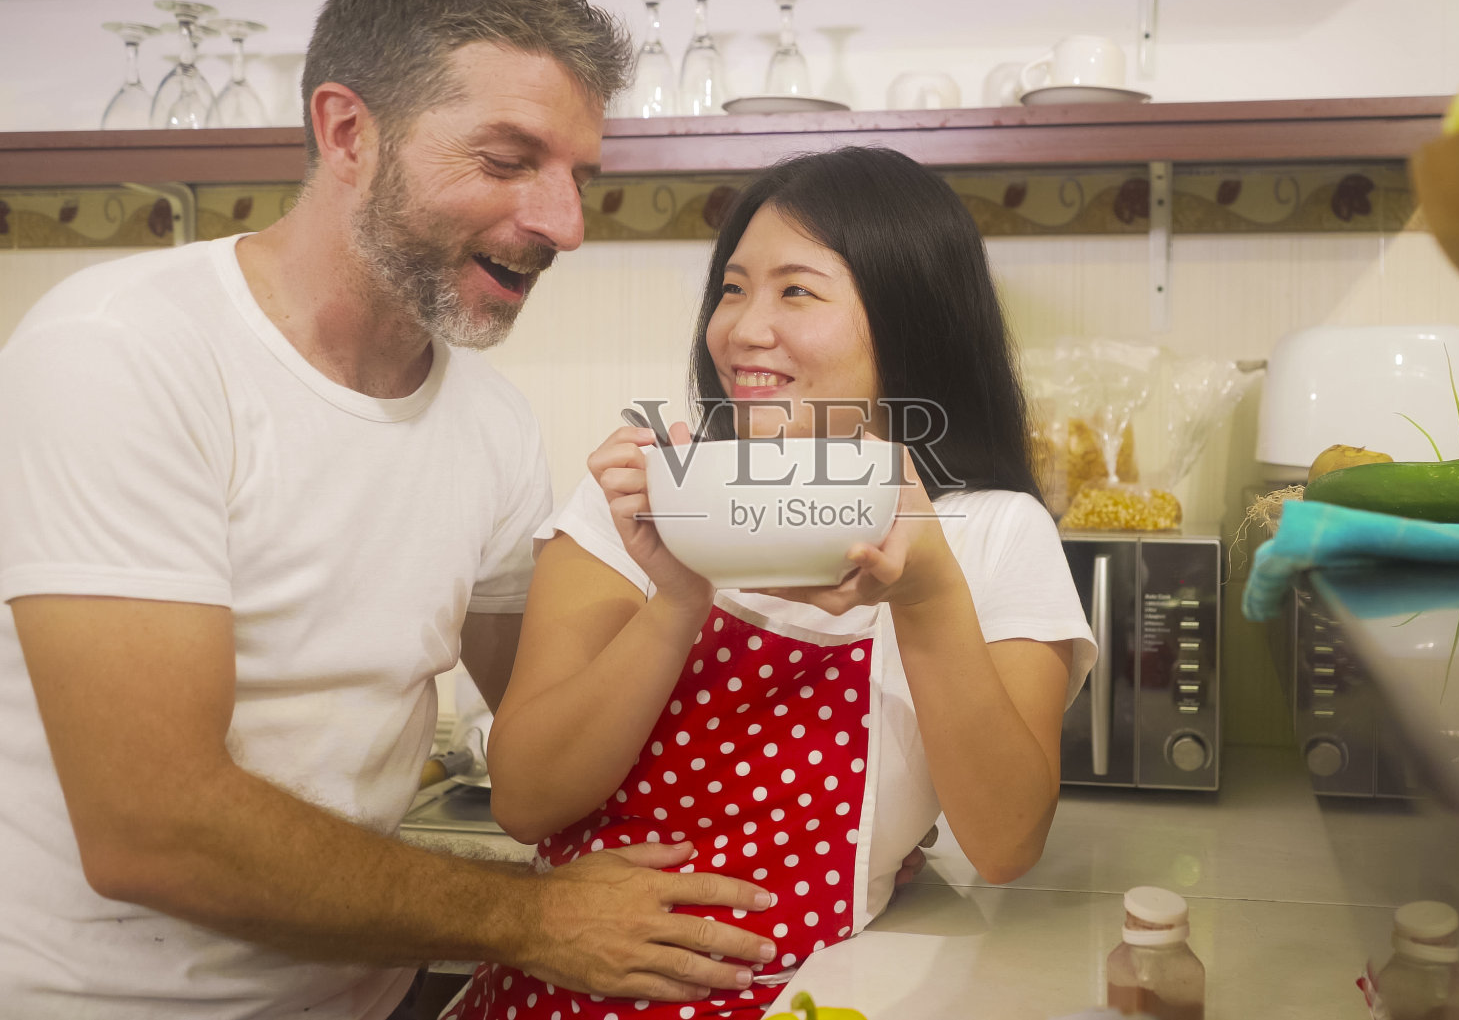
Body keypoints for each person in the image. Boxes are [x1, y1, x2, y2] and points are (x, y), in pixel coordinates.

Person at [0, 0, 778, 1019]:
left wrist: (722, 572)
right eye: (507, 161)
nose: (565, 224)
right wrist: (536, 917)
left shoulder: (489, 422)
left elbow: (546, 747)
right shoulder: (122, 351)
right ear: (348, 132)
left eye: (578, 176)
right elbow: (152, 827)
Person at [449, 146, 1099, 1020]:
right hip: (554, 998)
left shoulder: (989, 534)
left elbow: (1006, 843)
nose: (743, 328)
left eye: (796, 290)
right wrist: (679, 595)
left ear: (909, 315)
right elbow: (526, 801)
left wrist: (927, 593)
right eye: (732, 288)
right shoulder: (637, 498)